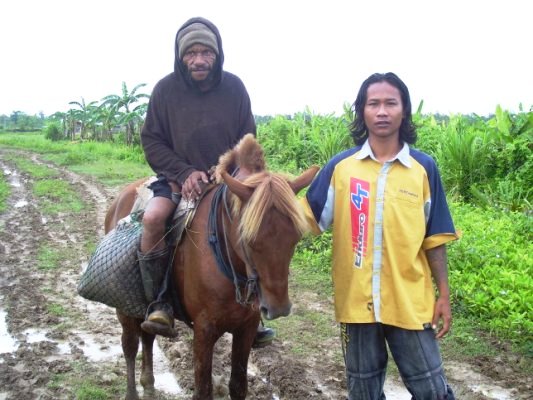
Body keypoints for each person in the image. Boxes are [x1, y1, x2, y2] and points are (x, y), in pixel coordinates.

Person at [301, 72, 459, 399]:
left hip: (410, 302)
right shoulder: (341, 168)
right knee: (364, 394)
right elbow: (304, 220)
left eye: (391, 103)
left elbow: (436, 239)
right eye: (374, 104)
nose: (382, 111)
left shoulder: (423, 168)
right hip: (356, 304)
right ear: (362, 111)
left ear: (404, 110)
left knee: (432, 391)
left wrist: (443, 295)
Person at [138, 16, 275, 346]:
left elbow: (248, 141)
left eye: (206, 53)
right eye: (191, 53)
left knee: (259, 225)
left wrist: (226, 171)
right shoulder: (165, 90)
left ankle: (253, 306)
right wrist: (184, 172)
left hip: (227, 180)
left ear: (217, 55)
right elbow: (152, 140)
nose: (198, 60)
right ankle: (160, 302)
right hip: (176, 179)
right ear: (181, 56)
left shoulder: (234, 88)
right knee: (155, 218)